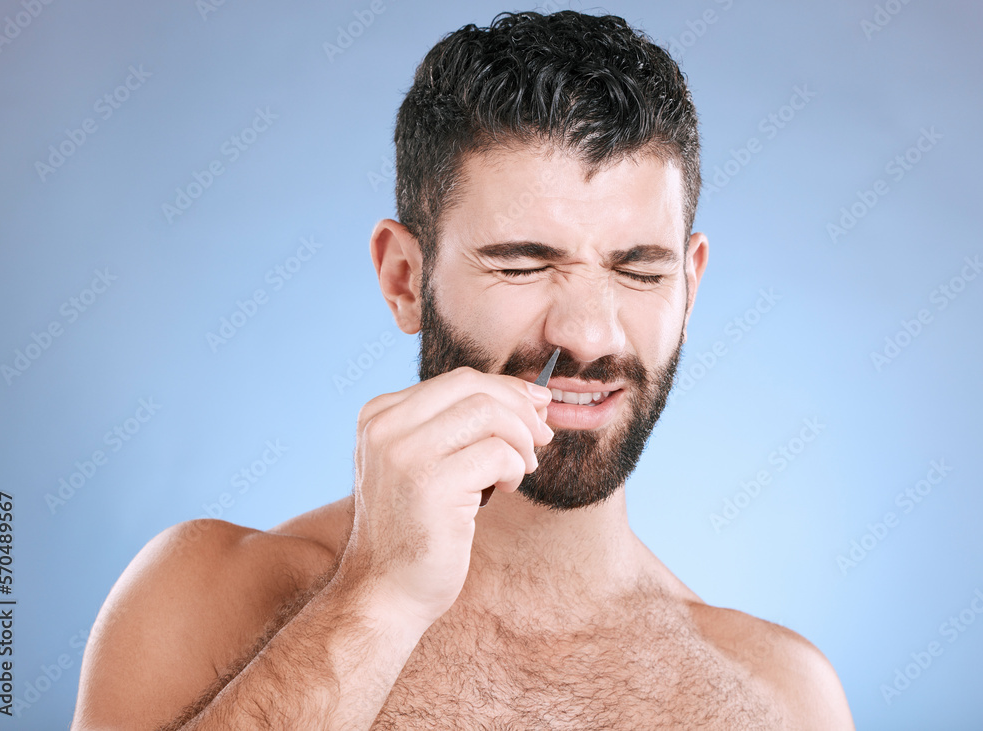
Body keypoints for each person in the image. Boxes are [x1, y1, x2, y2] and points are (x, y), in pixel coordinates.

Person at [72, 10, 854, 729]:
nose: (587, 333)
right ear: (404, 279)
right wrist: (377, 598)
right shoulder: (199, 599)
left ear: (690, 287)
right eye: (522, 264)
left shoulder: (784, 696)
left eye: (639, 269)